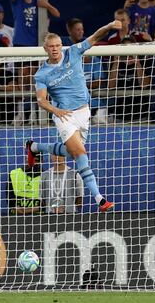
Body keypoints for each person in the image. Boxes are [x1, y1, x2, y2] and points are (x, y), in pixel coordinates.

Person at [26, 20, 123, 213]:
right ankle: (100, 199)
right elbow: (41, 100)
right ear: (45, 49)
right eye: (50, 47)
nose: (54, 49)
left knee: (71, 153)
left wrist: (110, 25)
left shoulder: (74, 52)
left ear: (61, 46)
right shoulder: (42, 74)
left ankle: (35, 147)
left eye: (57, 46)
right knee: (80, 155)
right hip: (64, 117)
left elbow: (95, 36)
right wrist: (57, 111)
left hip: (84, 112)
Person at [107, 36, 149, 123]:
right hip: (120, 114)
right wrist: (116, 63)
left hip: (141, 114)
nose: (128, 54)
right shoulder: (116, 64)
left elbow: (144, 85)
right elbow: (111, 86)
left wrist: (137, 63)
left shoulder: (143, 61)